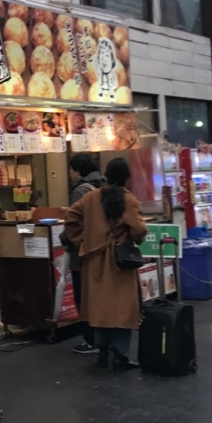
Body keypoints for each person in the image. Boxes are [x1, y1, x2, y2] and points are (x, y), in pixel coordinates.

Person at [63, 158, 147, 371]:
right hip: (120, 261)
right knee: (122, 310)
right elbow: (139, 230)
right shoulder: (129, 200)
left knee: (99, 309)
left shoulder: (90, 197)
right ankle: (121, 354)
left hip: (94, 259)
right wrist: (128, 237)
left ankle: (102, 351)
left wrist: (81, 240)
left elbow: (70, 217)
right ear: (126, 177)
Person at [62, 153, 105, 354]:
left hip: (83, 252)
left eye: (71, 169)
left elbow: (74, 222)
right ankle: (103, 338)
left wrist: (65, 240)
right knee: (99, 295)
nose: (69, 173)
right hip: (102, 250)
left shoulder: (81, 191)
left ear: (77, 171)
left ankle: (91, 340)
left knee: (84, 296)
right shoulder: (103, 185)